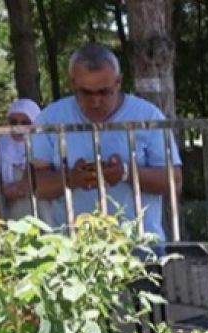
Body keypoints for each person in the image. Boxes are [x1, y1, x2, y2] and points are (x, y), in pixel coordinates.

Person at [29, 43, 182, 254]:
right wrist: (71, 179)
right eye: (85, 93)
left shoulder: (148, 116)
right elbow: (34, 185)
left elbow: (175, 181)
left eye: (104, 92)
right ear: (72, 82)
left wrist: (127, 173)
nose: (95, 101)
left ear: (118, 82)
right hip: (72, 249)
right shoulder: (49, 119)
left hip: (138, 246)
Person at [0, 99, 54, 223]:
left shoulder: (49, 149)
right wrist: (2, 192)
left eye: (25, 123)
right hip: (7, 226)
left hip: (46, 223)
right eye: (13, 122)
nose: (18, 127)